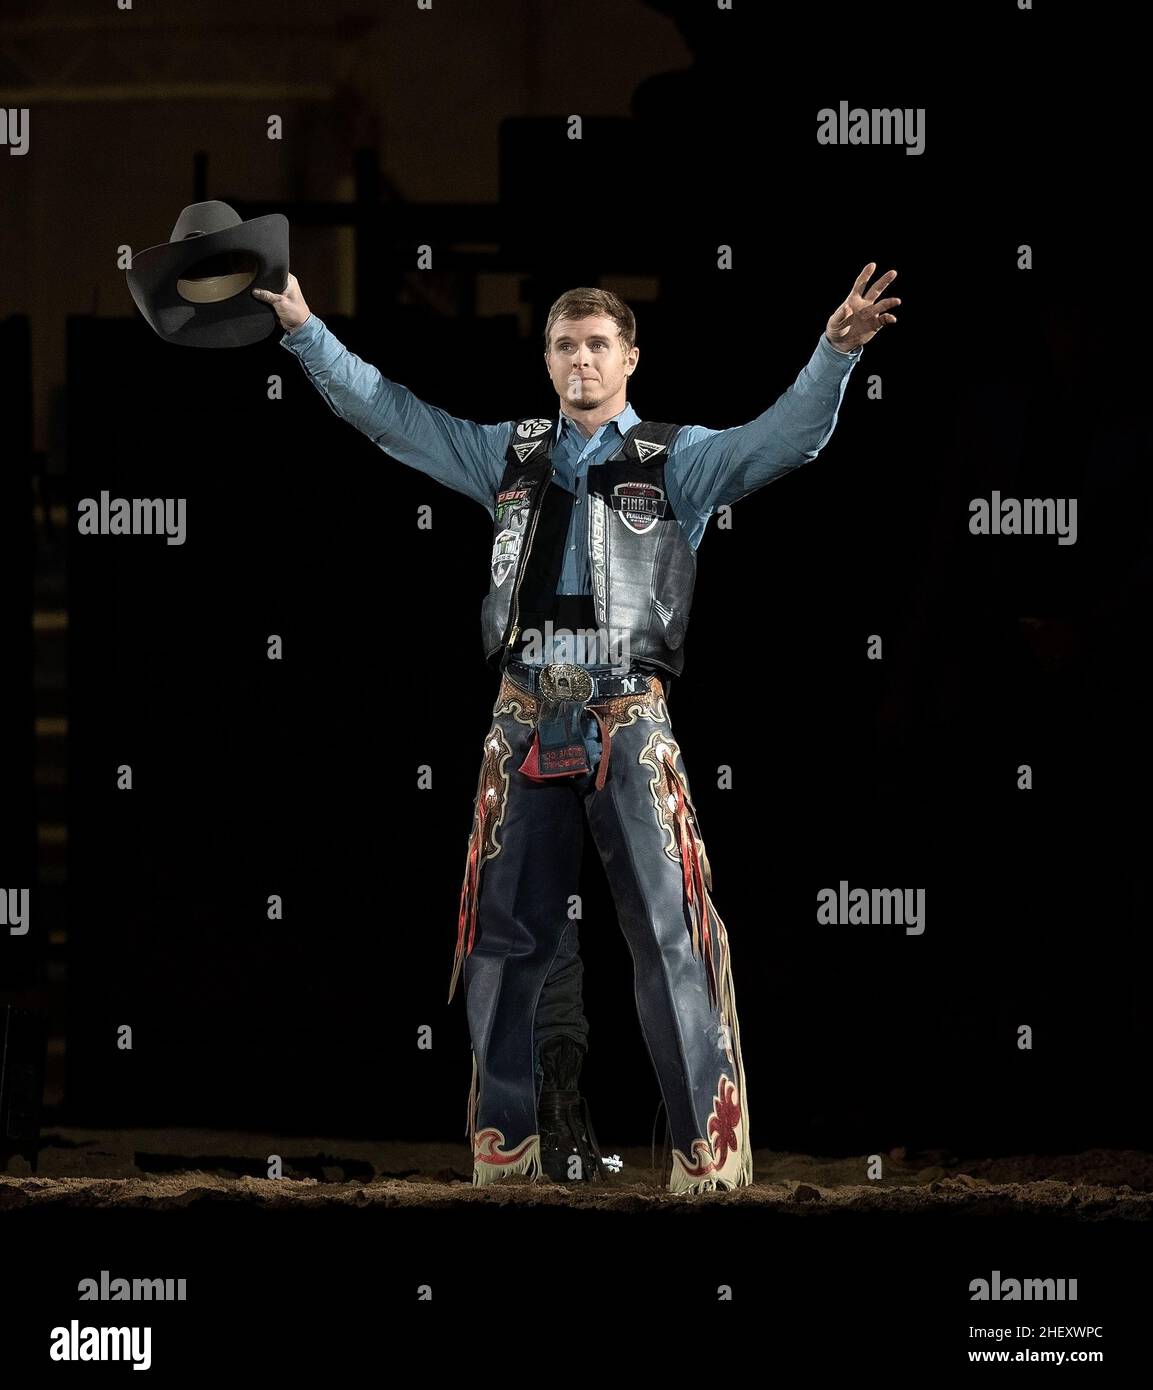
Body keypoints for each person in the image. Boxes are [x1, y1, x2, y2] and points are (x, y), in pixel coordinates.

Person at [255, 266, 899, 1191]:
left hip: (628, 716)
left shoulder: (680, 457)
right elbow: (389, 414)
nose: (581, 360)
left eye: (598, 345)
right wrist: (306, 328)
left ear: (629, 358)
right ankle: (506, 1143)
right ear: (548, 359)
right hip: (521, 719)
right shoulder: (508, 453)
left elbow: (783, 442)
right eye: (565, 345)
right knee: (503, 941)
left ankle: (703, 1152)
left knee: (668, 934)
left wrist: (836, 351)